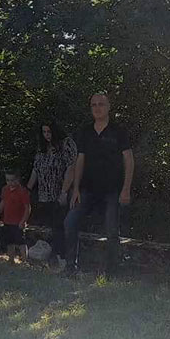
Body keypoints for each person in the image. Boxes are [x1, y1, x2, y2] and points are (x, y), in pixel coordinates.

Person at [65, 92, 134, 275]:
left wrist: (126, 189)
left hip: (112, 190)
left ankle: (111, 272)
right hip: (87, 189)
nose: (97, 108)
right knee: (70, 222)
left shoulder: (119, 131)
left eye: (101, 104)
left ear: (109, 107)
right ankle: (70, 267)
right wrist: (75, 189)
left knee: (111, 231)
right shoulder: (85, 131)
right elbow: (80, 160)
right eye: (93, 105)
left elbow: (128, 159)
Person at [26, 121, 77, 266]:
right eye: (44, 132)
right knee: (50, 227)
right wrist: (28, 189)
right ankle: (50, 258)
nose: (47, 135)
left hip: (61, 192)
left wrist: (64, 192)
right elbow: (36, 169)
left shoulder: (66, 144)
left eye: (49, 132)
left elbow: (71, 167)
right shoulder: (42, 147)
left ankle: (62, 258)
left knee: (60, 226)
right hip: (44, 194)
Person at [0, 171, 32, 263]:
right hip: (7, 220)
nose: (10, 182)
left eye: (12, 180)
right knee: (9, 242)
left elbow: (27, 208)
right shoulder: (5, 189)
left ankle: (24, 260)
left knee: (21, 242)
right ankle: (11, 260)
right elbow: (3, 202)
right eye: (8, 180)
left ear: (18, 179)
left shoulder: (22, 191)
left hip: (18, 222)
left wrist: (23, 221)